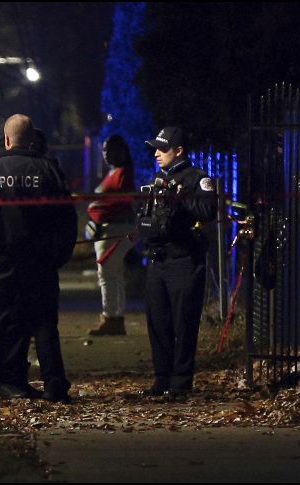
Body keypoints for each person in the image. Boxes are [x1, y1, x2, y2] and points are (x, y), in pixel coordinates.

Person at [0, 114, 77, 403]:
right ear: (32, 138)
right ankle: (54, 384)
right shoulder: (50, 171)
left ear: (6, 139)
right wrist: (60, 254)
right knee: (43, 322)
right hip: (39, 261)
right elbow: (66, 218)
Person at [136, 126, 217, 400]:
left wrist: (180, 195)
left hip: (184, 260)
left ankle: (181, 382)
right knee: (158, 323)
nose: (157, 154)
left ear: (179, 151)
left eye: (163, 149)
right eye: (155, 149)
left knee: (184, 323)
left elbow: (208, 211)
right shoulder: (159, 177)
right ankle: (161, 380)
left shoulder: (197, 179)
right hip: (158, 260)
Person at [86, 134, 137, 336]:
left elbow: (121, 203)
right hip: (108, 229)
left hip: (114, 230)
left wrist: (100, 211)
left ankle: (111, 317)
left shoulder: (123, 174)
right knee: (113, 274)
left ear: (121, 151)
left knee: (107, 275)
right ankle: (115, 317)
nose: (105, 153)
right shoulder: (113, 172)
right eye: (104, 150)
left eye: (109, 149)